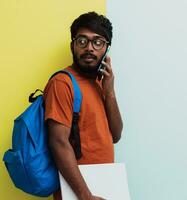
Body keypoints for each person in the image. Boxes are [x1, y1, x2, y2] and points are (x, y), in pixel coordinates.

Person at [43, 12, 123, 200]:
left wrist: (109, 91)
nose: (89, 48)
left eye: (98, 42)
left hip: (105, 183)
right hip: (78, 191)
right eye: (82, 41)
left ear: (106, 49)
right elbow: (58, 142)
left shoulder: (100, 82)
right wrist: (85, 196)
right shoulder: (63, 83)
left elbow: (116, 135)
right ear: (73, 45)